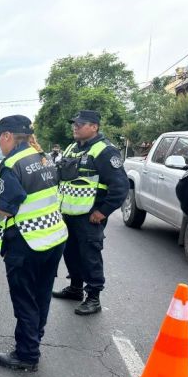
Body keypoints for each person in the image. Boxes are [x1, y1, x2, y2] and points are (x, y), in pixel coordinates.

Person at [0, 115, 68, 371]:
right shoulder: (42, 157)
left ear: (8, 136)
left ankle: (26, 355)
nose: (0, 144)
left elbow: (7, 209)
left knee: (24, 299)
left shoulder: (11, 163)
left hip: (27, 242)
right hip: (53, 238)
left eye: (0, 138)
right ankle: (34, 339)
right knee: (41, 296)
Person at [52, 110, 129, 315]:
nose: (74, 127)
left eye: (80, 124)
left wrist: (103, 212)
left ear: (94, 127)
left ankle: (94, 298)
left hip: (89, 217)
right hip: (67, 214)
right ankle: (76, 288)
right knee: (70, 253)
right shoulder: (71, 148)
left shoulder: (105, 151)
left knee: (90, 257)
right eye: (74, 124)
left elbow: (120, 186)